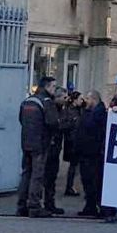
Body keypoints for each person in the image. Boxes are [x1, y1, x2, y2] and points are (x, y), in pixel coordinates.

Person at [16, 76, 59, 217]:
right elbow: (53, 123)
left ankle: (21, 206)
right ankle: (34, 207)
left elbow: (21, 120)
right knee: (37, 175)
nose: (55, 90)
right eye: (53, 87)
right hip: (40, 144)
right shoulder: (47, 102)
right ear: (47, 87)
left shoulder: (27, 101)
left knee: (26, 173)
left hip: (26, 143)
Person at [75, 89, 109, 219]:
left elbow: (91, 130)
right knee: (88, 181)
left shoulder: (98, 114)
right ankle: (90, 206)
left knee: (95, 181)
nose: (85, 101)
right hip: (87, 153)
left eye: (87, 99)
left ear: (94, 100)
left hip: (94, 153)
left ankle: (100, 207)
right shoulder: (91, 112)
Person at [41, 88, 69, 216]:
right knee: (47, 177)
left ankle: (49, 203)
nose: (66, 100)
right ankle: (45, 203)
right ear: (57, 97)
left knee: (51, 178)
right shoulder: (51, 107)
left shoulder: (60, 109)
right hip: (49, 147)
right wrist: (67, 124)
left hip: (55, 147)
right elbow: (55, 124)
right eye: (64, 97)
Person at [59, 89, 84, 197]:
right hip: (73, 141)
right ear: (75, 100)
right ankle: (70, 187)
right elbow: (69, 125)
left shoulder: (78, 110)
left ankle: (71, 186)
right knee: (74, 166)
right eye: (80, 99)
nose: (82, 101)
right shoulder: (70, 111)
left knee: (75, 166)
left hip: (75, 140)